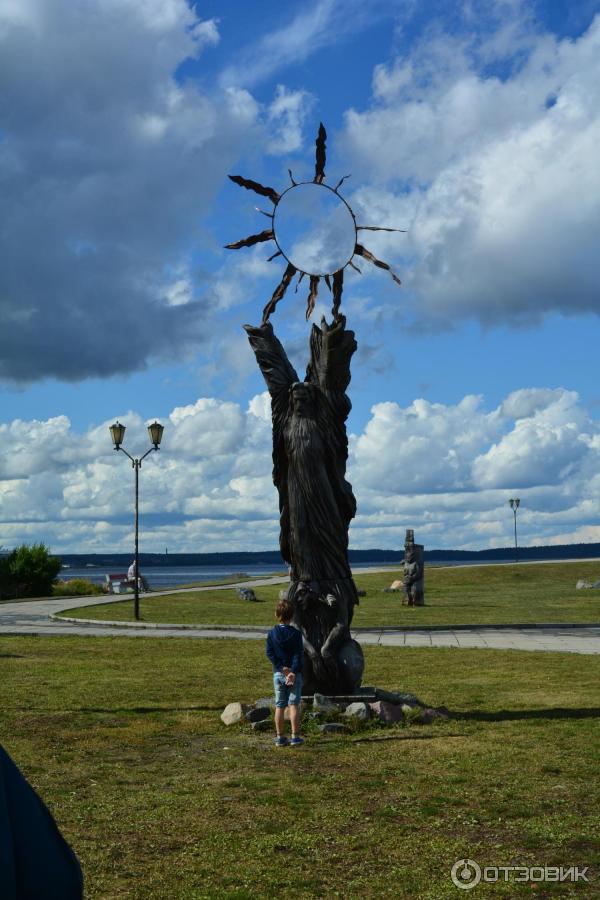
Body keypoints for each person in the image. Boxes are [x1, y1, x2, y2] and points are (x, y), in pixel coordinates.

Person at [266, 598, 304, 747]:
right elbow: (298, 654)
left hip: (278, 673)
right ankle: (295, 737)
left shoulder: (272, 633)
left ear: (277, 614)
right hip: (294, 674)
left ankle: (280, 737)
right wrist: (292, 672)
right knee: (293, 704)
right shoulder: (296, 634)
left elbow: (270, 653)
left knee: (280, 705)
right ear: (292, 616)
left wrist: (282, 668)